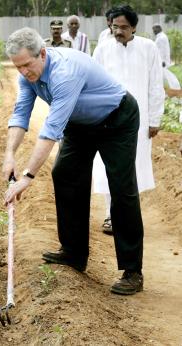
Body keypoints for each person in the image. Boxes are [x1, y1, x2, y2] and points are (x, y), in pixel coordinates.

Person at [3, 27, 144, 295]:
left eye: (27, 65)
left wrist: (27, 177)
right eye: (18, 67)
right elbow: (21, 113)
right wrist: (9, 154)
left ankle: (132, 271)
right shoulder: (26, 75)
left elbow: (51, 129)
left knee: (121, 188)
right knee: (65, 173)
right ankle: (73, 252)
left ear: (42, 54)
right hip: (80, 125)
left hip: (117, 120)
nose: (23, 72)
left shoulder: (64, 73)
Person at [92, 6, 165, 236]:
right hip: (109, 119)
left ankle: (129, 213)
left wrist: (154, 119)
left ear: (134, 27)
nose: (118, 31)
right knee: (108, 166)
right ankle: (110, 215)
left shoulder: (149, 48)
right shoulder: (103, 49)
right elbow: (93, 84)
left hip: (139, 121)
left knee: (134, 166)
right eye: (115, 26)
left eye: (124, 27)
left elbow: (155, 86)